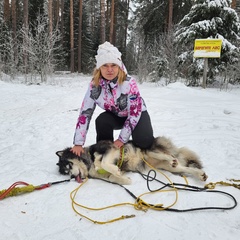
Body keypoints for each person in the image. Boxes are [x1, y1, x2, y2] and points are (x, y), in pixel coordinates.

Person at [71, 41, 154, 156]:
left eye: (113, 65)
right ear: (99, 67)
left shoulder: (129, 83)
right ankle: (105, 151)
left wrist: (121, 139)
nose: (109, 69)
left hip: (137, 114)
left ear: (118, 66)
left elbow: (134, 113)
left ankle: (129, 146)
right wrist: (78, 143)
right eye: (105, 65)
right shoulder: (94, 86)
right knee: (102, 121)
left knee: (144, 142)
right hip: (117, 115)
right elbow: (85, 113)